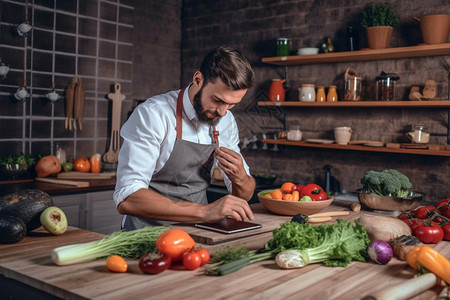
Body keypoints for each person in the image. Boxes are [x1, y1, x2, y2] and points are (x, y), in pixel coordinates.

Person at [113, 46, 256, 230]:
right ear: (198, 79)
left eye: (232, 104)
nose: (222, 112)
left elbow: (243, 195)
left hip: (198, 234)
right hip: (146, 235)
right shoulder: (154, 114)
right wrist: (205, 212)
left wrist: (241, 179)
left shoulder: (225, 120)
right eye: (218, 100)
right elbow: (127, 197)